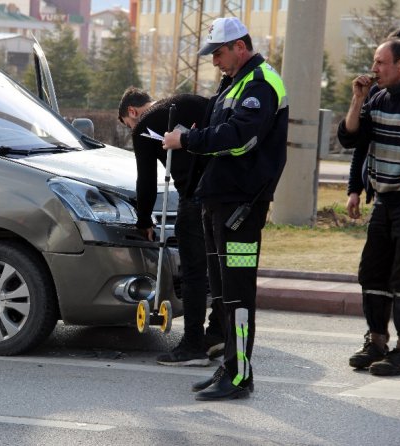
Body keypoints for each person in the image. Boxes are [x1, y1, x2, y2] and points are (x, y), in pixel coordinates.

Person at [162, 17, 288, 400]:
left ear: (239, 46)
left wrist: (188, 140)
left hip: (242, 207)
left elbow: (241, 138)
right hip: (220, 201)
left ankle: (239, 377)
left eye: (217, 53)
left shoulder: (261, 83)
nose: (214, 61)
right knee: (224, 295)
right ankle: (230, 368)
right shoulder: (235, 82)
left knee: (238, 296)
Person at [338, 38, 400, 376]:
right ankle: (376, 343)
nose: (373, 69)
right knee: (372, 273)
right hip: (384, 201)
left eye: (380, 62)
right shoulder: (376, 98)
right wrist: (357, 99)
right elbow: (350, 139)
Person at [117, 87, 225, 366]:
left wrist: (143, 221)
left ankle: (192, 345)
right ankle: (218, 332)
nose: (132, 127)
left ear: (131, 112)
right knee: (219, 265)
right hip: (226, 190)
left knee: (193, 271)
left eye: (128, 123)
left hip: (194, 193)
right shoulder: (186, 100)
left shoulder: (143, 125)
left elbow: (146, 182)